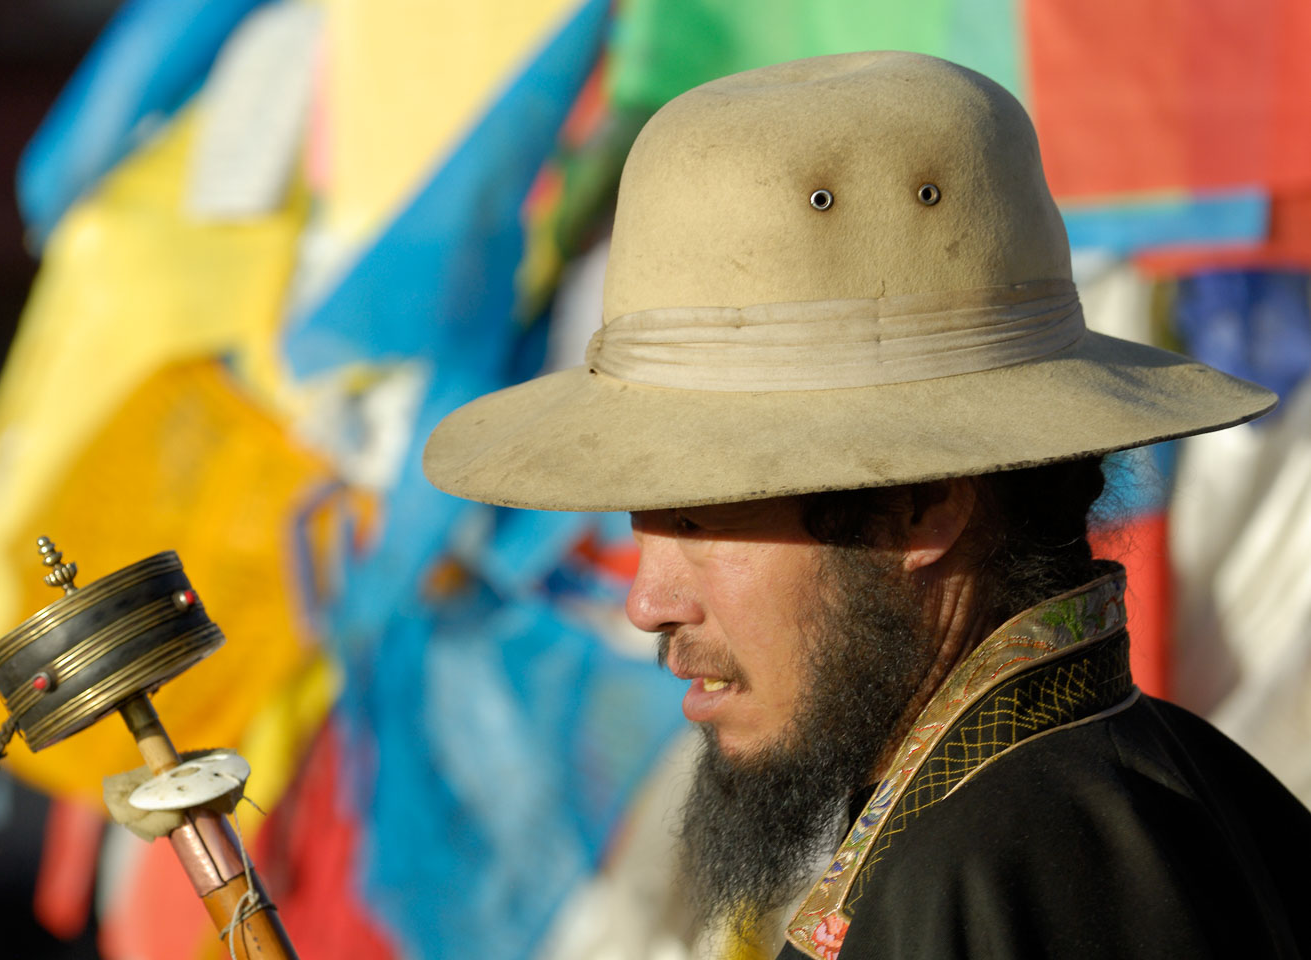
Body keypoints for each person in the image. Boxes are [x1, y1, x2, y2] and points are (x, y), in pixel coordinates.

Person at [423, 52, 1311, 958]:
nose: (647, 602)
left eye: (697, 520)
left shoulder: (971, 874)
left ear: (920, 507)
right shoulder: (1202, 788)